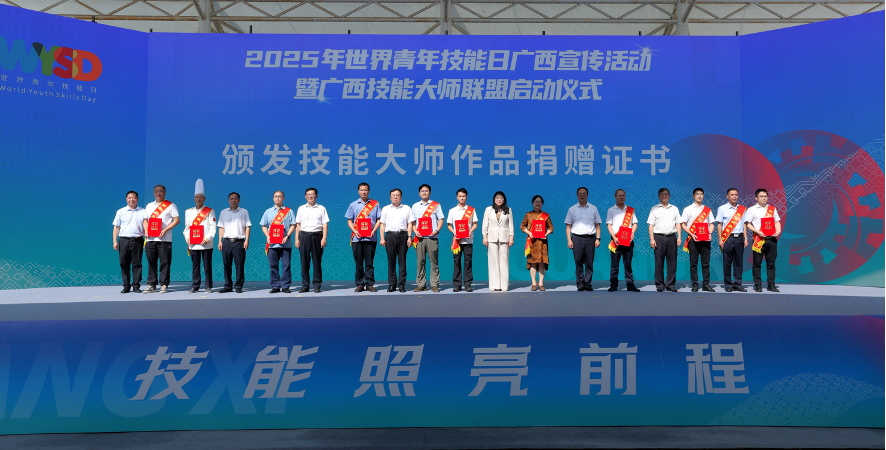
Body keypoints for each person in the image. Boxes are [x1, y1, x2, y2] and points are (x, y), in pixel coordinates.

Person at [142, 185, 180, 294]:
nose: (158, 193)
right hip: (150, 239)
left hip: (165, 239)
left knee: (165, 262)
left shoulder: (171, 205)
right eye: (156, 191)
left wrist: (166, 229)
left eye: (160, 191)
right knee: (151, 262)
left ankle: (164, 284)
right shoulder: (149, 206)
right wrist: (146, 231)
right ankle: (151, 285)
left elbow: (176, 220)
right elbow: (145, 220)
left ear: (165, 192)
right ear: (153, 192)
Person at [744, 188, 782, 292]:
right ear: (756, 198)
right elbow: (747, 224)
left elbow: (777, 222)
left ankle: (771, 285)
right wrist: (757, 231)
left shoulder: (772, 209)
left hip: (771, 239)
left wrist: (778, 231)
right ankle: (758, 285)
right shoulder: (751, 209)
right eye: (761, 196)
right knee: (757, 263)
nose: (764, 198)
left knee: (771, 264)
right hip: (758, 239)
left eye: (765, 196)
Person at [345, 182, 381, 293]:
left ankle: (369, 284)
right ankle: (360, 284)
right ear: (358, 191)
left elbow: (379, 220)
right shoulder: (353, 205)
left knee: (369, 263)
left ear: (368, 191)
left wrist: (373, 231)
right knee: (358, 263)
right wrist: (355, 231)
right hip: (357, 238)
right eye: (361, 190)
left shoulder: (375, 204)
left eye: (365, 190)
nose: (363, 192)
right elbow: (349, 220)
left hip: (370, 238)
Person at [565, 187, 602, 291]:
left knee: (589, 262)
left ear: (587, 195)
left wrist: (598, 238)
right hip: (577, 238)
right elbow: (568, 226)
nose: (582, 195)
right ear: (577, 195)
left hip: (590, 238)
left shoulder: (593, 208)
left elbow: (598, 225)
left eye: (584, 193)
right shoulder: (572, 209)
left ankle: (588, 283)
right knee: (578, 262)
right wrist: (569, 240)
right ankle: (580, 283)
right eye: (580, 193)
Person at [183, 179, 216, 294]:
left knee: (207, 266)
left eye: (200, 197)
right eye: (197, 197)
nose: (198, 199)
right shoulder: (188, 212)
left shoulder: (210, 211)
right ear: (194, 198)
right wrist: (187, 238)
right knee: (195, 266)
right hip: (193, 243)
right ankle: (195, 285)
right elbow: (187, 229)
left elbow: (213, 228)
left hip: (206, 243)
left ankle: (208, 286)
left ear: (204, 198)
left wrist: (207, 238)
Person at [379, 188, 415, 292]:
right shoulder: (385, 209)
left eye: (397, 195)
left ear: (401, 197)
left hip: (403, 236)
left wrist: (409, 237)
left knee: (402, 261)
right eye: (393, 195)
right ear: (390, 197)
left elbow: (410, 223)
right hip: (390, 236)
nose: (395, 197)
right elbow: (382, 224)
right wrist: (382, 238)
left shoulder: (407, 208)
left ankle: (402, 285)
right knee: (391, 261)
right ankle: (392, 284)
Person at [260, 191, 296, 294]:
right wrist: (268, 236)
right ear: (273, 198)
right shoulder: (268, 212)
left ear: (283, 198)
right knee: (273, 266)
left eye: (280, 196)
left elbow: (293, 225)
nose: (277, 198)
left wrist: (287, 236)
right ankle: (275, 286)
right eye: (276, 196)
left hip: (286, 244)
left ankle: (285, 286)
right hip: (272, 244)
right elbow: (263, 225)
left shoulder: (289, 211)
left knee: (286, 266)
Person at [294, 187, 329, 293]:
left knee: (317, 262)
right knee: (304, 262)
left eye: (312, 194)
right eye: (308, 195)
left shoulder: (321, 208)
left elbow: (325, 224)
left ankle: (317, 285)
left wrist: (324, 238)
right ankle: (305, 285)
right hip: (304, 236)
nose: (310, 196)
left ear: (316, 196)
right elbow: (298, 225)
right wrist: (296, 238)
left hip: (317, 236)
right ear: (305, 196)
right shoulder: (301, 208)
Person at [681, 188, 716, 293]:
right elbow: (683, 224)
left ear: (703, 196)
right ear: (693, 196)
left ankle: (706, 284)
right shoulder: (688, 209)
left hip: (706, 239)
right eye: (697, 194)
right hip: (693, 239)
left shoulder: (707, 210)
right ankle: (694, 284)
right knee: (693, 263)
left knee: (706, 264)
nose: (699, 196)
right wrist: (691, 234)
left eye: (701, 194)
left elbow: (711, 224)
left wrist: (710, 233)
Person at [647, 187, 682, 292]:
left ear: (669, 196)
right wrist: (652, 239)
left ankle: (670, 284)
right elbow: (651, 225)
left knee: (672, 263)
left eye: (666, 194)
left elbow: (678, 224)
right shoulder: (654, 209)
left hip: (672, 237)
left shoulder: (674, 208)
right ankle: (660, 284)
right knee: (659, 262)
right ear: (658, 196)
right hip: (659, 237)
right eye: (662, 194)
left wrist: (679, 237)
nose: (664, 196)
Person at [605, 189, 640, 292]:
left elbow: (634, 224)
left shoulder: (630, 210)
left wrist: (632, 232)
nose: (621, 197)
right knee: (614, 265)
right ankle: (613, 285)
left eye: (623, 195)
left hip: (628, 240)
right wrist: (614, 237)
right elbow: (609, 225)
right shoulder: (611, 210)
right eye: (619, 195)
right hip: (615, 241)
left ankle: (630, 284)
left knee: (628, 264)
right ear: (615, 196)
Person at [411, 184, 445, 293]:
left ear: (430, 193)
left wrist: (437, 230)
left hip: (432, 237)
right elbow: (412, 222)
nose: (424, 192)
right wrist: (415, 231)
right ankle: (421, 284)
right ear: (419, 193)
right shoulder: (415, 206)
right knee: (420, 261)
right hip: (419, 238)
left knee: (433, 262)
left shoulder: (436, 205)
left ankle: (434, 284)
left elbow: (441, 219)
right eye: (422, 191)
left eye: (426, 191)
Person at [217, 191, 251, 293]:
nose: (233, 200)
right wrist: (220, 241)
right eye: (231, 199)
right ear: (228, 200)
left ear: (239, 200)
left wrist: (247, 240)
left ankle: (238, 286)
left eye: (235, 198)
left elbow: (247, 226)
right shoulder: (223, 212)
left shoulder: (244, 212)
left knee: (239, 264)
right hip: (226, 242)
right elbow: (221, 227)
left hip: (239, 242)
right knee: (226, 264)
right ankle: (228, 286)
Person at [112, 190, 145, 293]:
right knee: (123, 263)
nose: (132, 199)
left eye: (134, 197)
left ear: (137, 199)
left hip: (138, 240)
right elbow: (116, 227)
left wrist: (146, 240)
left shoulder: (143, 211)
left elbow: (146, 226)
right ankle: (126, 285)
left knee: (137, 264)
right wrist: (115, 241)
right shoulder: (120, 211)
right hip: (123, 240)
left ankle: (136, 286)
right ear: (126, 199)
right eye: (129, 198)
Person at [716, 188, 748, 292]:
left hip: (740, 238)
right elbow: (719, 224)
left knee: (739, 262)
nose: (734, 196)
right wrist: (720, 239)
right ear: (727, 196)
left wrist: (745, 237)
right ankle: (728, 284)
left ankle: (738, 284)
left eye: (736, 195)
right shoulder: (722, 208)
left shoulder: (742, 209)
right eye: (732, 195)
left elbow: (744, 224)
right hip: (728, 238)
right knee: (727, 262)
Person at [447, 188, 478, 292]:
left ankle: (468, 284)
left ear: (466, 197)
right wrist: (454, 232)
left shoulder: (471, 210)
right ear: (457, 197)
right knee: (456, 262)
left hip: (468, 240)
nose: (462, 198)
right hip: (457, 241)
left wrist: (470, 231)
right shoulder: (452, 210)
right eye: (460, 196)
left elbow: (475, 224)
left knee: (468, 261)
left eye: (463, 196)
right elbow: (449, 225)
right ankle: (457, 284)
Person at [482, 191, 514, 292]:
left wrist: (511, 237)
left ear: (504, 199)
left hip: (504, 238)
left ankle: (504, 285)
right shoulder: (489, 209)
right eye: (497, 198)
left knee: (504, 261)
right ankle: (494, 285)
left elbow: (511, 224)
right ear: (494, 200)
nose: (499, 200)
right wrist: (485, 237)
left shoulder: (508, 210)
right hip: (492, 238)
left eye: (501, 198)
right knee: (493, 262)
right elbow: (485, 224)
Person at [521, 195, 554, 291]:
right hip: (532, 242)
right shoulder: (528, 214)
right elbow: (522, 226)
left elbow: (551, 228)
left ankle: (541, 283)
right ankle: (534, 283)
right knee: (533, 263)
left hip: (542, 243)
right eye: (536, 201)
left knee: (542, 262)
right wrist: (529, 233)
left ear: (542, 203)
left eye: (539, 201)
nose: (537, 203)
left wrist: (545, 234)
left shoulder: (546, 215)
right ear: (532, 203)